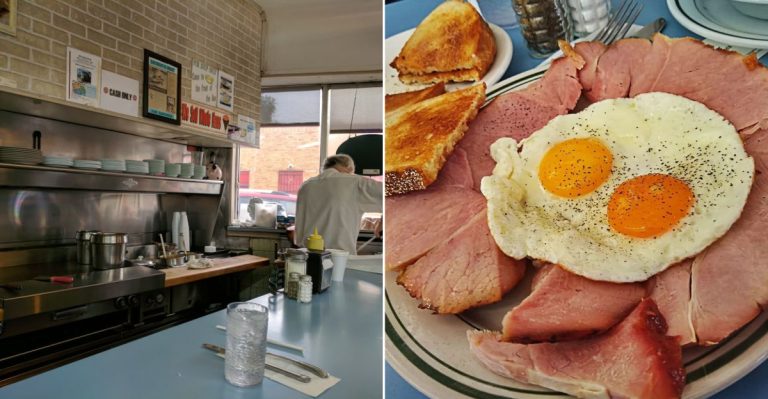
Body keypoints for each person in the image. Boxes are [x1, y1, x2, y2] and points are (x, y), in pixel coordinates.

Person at [294, 154, 382, 254]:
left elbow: (298, 233)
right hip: (339, 257)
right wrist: (382, 222)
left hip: (307, 254)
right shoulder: (354, 182)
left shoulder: (306, 186)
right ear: (348, 168)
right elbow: (389, 192)